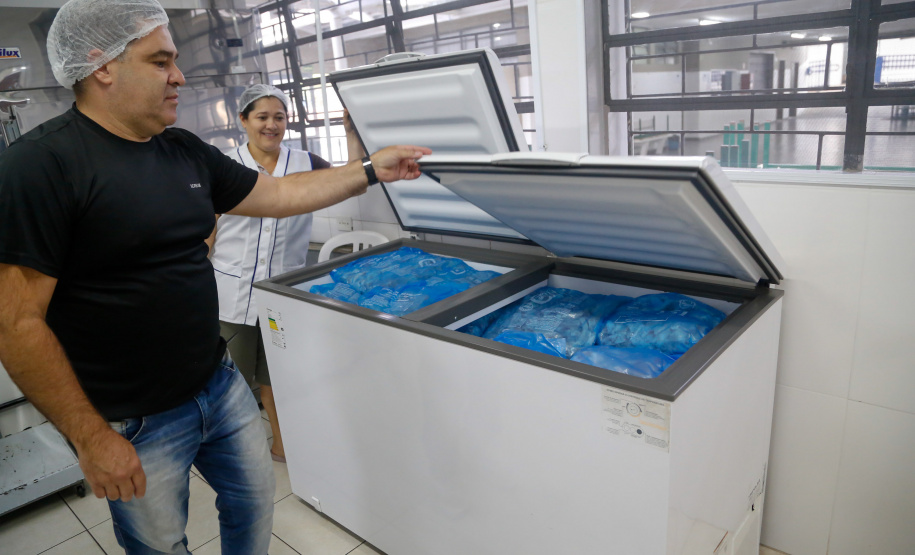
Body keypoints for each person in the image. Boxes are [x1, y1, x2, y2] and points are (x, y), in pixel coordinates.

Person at [0, 1, 430, 554]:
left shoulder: (182, 151)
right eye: (160, 62)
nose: (179, 76)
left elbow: (278, 194)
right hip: (131, 418)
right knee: (159, 545)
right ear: (101, 65)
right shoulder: (40, 167)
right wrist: (90, 436)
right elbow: (16, 322)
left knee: (254, 512)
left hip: (219, 386)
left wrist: (371, 171)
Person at [207, 85, 363, 463]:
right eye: (262, 117)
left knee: (276, 378)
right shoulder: (223, 165)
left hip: (283, 294)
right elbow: (206, 230)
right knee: (231, 382)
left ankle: (281, 444)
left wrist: (351, 133)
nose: (271, 125)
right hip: (232, 295)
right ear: (243, 121)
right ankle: (227, 453)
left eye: (279, 117)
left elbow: (350, 178)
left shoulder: (306, 163)